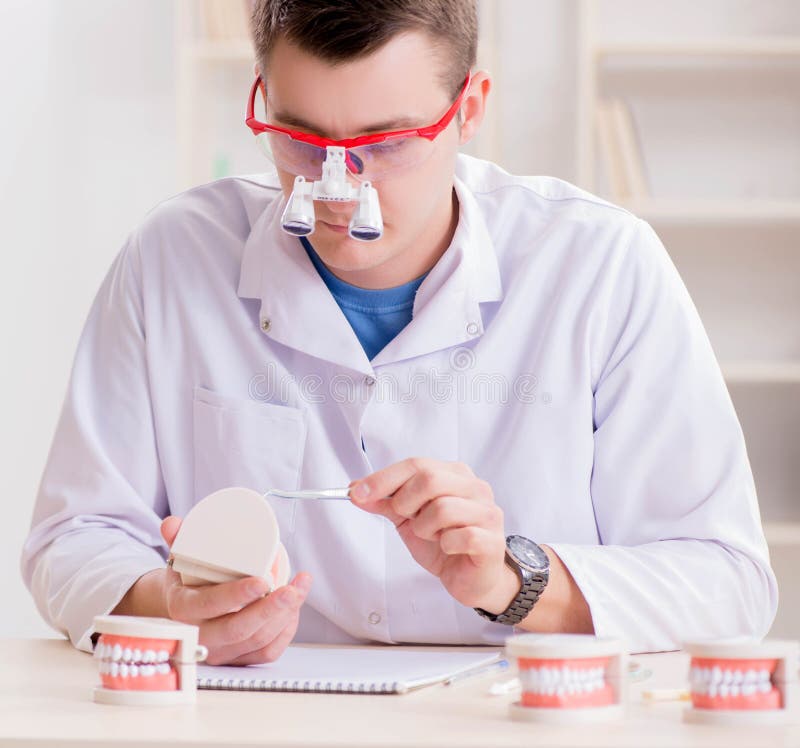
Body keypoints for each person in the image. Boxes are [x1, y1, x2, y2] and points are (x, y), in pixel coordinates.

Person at [22, 0, 776, 666]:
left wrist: (514, 580)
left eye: (384, 144)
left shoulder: (599, 266)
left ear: (471, 106)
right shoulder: (173, 258)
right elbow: (72, 538)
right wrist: (169, 606)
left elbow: (728, 582)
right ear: (262, 99)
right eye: (300, 139)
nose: (337, 188)